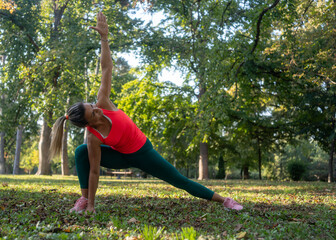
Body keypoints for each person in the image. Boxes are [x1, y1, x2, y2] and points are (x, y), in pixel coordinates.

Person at [50, 12, 243, 213]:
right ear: (88, 124)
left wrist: (104, 38)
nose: (97, 109)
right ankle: (83, 200)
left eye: (92, 105)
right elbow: (94, 171)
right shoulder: (93, 138)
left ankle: (225, 201)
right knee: (81, 152)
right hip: (122, 157)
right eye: (93, 114)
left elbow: (106, 69)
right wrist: (91, 204)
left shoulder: (104, 103)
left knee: (178, 180)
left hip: (143, 151)